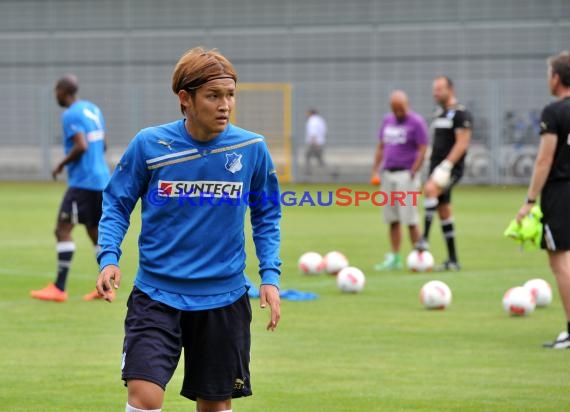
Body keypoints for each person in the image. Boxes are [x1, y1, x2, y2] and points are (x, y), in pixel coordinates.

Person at [96, 48, 282, 412]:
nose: (225, 105)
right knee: (144, 397)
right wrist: (108, 257)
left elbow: (267, 214)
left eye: (230, 95)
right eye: (214, 96)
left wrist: (270, 276)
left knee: (215, 405)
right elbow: (117, 203)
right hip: (156, 293)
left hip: (224, 298)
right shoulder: (150, 145)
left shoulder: (252, 148)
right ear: (186, 98)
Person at [30, 74, 110, 302]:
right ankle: (106, 286)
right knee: (94, 231)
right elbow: (102, 144)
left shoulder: (70, 114)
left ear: (62, 91)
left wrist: (60, 164)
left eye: (56, 91)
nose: (55, 95)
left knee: (62, 229)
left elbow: (81, 145)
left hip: (83, 182)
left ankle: (59, 287)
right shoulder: (93, 109)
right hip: (101, 178)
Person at [515, 51, 570, 349]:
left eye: (549, 74)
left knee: (560, 261)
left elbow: (544, 159)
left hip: (561, 192)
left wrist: (529, 200)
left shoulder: (554, 111)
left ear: (557, 78)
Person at [415, 76, 472, 271]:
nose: (435, 93)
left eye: (439, 89)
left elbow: (462, 143)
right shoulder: (439, 114)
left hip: (450, 168)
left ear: (450, 89)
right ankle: (453, 260)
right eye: (434, 89)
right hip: (435, 166)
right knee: (444, 211)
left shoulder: (460, 114)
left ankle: (423, 239)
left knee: (430, 189)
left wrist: (447, 165)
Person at [372, 90, 428, 270]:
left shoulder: (416, 122)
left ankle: (419, 257)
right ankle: (395, 258)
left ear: (407, 105)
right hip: (388, 173)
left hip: (406, 174)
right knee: (392, 219)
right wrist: (375, 169)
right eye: (395, 110)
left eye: (401, 109)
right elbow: (381, 147)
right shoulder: (387, 121)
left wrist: (414, 171)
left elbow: (423, 147)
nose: (398, 113)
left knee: (410, 218)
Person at [304, 109, 327, 175]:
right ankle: (329, 172)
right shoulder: (320, 120)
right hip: (320, 142)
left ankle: (308, 172)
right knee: (319, 159)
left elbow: (313, 132)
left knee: (307, 156)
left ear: (311, 113)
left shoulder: (312, 120)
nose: (306, 115)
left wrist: (314, 142)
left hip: (314, 143)